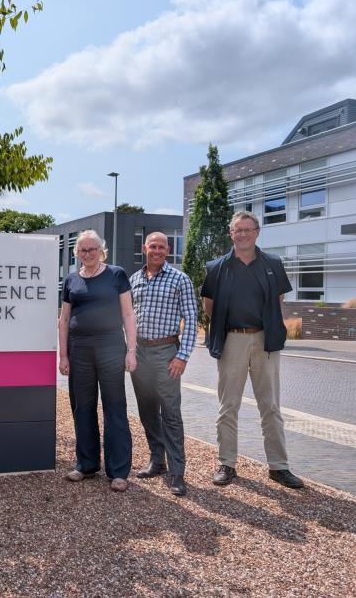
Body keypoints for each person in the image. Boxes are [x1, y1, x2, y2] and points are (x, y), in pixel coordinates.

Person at [201, 211, 304, 489]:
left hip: (264, 341)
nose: (243, 234)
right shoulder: (217, 267)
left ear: (257, 232)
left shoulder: (272, 263)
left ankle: (278, 467)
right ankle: (227, 463)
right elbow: (208, 305)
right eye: (238, 230)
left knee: (270, 406)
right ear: (231, 233)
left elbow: (278, 297)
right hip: (231, 340)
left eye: (248, 229)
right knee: (228, 406)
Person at [58, 229, 137, 492]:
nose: (88, 253)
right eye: (83, 250)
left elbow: (128, 314)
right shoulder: (71, 280)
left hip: (111, 346)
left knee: (114, 406)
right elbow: (64, 319)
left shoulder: (116, 275)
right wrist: (63, 355)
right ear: (76, 253)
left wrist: (131, 350)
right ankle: (86, 464)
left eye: (92, 249)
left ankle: (119, 471)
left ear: (101, 250)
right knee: (82, 407)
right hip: (79, 348)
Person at [129, 232, 198, 497]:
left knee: (170, 413)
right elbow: (129, 317)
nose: (157, 250)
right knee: (147, 411)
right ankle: (157, 461)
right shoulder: (134, 279)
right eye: (152, 246)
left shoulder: (180, 279)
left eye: (161, 247)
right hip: (140, 354)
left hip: (166, 353)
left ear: (167, 250)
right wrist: (129, 350)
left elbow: (191, 320)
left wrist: (182, 356)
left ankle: (177, 472)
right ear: (145, 248)